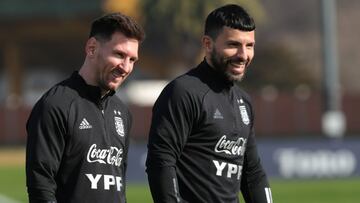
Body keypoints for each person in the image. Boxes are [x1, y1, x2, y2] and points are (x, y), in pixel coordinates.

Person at [146, 4, 272, 203]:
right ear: (207, 44)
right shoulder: (183, 92)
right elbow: (161, 161)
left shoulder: (243, 102)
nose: (243, 55)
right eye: (233, 45)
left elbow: (253, 173)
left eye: (249, 45)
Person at [26, 12, 144, 203]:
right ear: (91, 48)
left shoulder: (122, 112)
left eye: (132, 60)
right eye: (119, 54)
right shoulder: (55, 105)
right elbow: (41, 187)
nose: (126, 67)